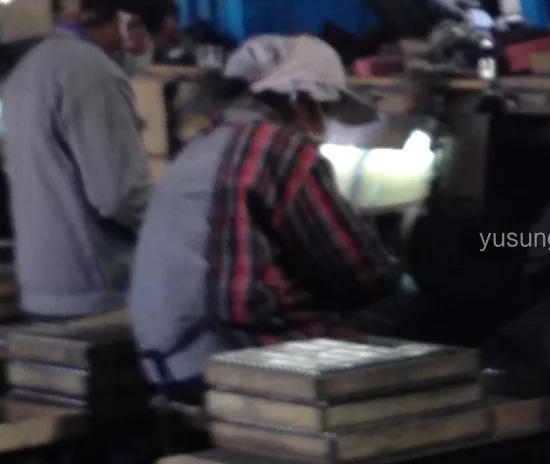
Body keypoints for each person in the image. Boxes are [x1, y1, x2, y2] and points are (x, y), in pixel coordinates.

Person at [130, 33, 400, 390]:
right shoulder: (277, 145)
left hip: (167, 358)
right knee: (403, 307)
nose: (325, 123)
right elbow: (364, 273)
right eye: (325, 109)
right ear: (300, 101)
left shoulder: (205, 141)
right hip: (226, 353)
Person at [3, 0, 177, 319]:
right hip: (93, 287)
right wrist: (184, 225)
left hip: (42, 282)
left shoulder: (33, 65)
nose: (150, 52)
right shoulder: (94, 74)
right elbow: (118, 195)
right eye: (153, 39)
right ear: (129, 25)